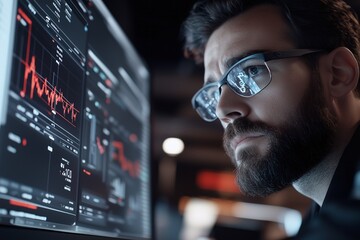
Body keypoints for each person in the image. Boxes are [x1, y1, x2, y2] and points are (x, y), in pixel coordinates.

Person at [180, 0, 360, 239]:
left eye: (250, 71)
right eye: (215, 93)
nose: (223, 109)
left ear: (337, 74)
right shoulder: (329, 212)